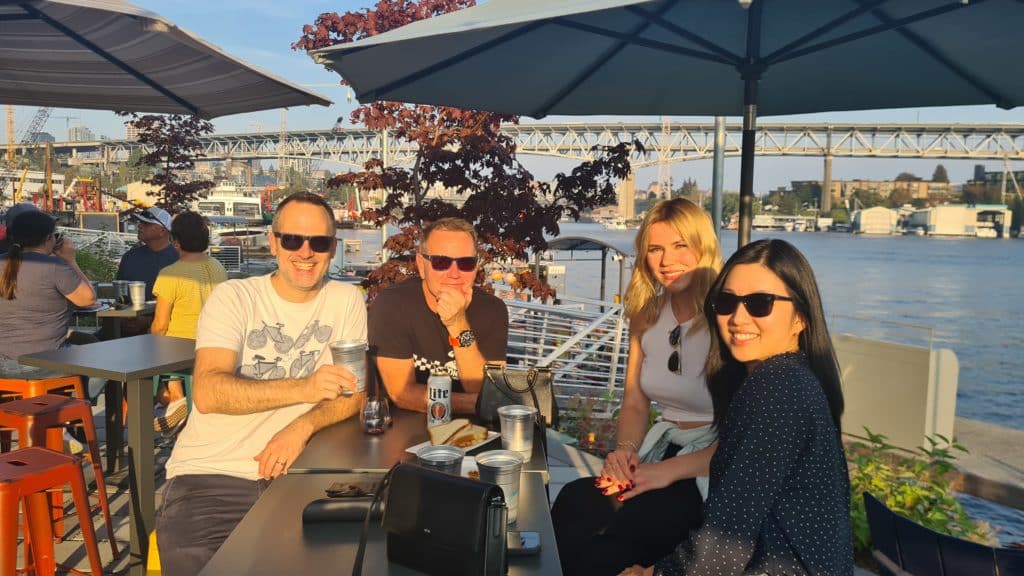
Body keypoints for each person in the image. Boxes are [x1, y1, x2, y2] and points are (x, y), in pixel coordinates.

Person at [156, 192, 367, 575]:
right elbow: (207, 392)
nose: (306, 252)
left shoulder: (346, 299)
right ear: (273, 242)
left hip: (301, 474)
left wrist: (301, 426)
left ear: (333, 249)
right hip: (211, 474)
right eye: (292, 240)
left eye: (319, 242)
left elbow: (355, 392)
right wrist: (305, 388)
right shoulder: (233, 297)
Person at [621, 239, 852, 576]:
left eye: (760, 303)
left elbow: (725, 547)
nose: (737, 318)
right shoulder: (792, 377)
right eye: (726, 302)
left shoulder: (778, 389)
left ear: (800, 316)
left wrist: (653, 574)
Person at [551, 198, 723, 576]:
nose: (665, 261)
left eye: (681, 246)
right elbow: (633, 402)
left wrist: (669, 469)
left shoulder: (727, 319)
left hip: (714, 465)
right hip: (661, 451)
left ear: (704, 247)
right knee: (577, 502)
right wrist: (624, 454)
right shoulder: (646, 316)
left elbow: (749, 438)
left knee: (625, 529)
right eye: (655, 249)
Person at [368, 217, 508, 414]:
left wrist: (457, 323)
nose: (454, 273)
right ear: (420, 264)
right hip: (406, 430)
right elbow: (402, 394)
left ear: (476, 267)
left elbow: (485, 390)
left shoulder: (493, 310)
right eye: (441, 262)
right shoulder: (392, 305)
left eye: (466, 263)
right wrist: (472, 403)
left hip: (476, 432)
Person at [150, 211, 229, 434]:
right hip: (213, 345)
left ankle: (174, 398)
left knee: (150, 352)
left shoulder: (170, 274)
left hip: (180, 349)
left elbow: (160, 324)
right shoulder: (218, 268)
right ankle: (180, 407)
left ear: (176, 241)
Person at [0, 209, 97, 361]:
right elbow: (88, 299)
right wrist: (70, 260)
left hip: (4, 364)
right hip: (46, 362)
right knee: (97, 354)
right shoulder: (55, 267)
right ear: (49, 239)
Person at [117, 206, 179, 301]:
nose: (140, 225)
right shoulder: (129, 257)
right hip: (130, 315)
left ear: (162, 231)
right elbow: (120, 293)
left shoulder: (179, 260)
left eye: (146, 223)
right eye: (140, 222)